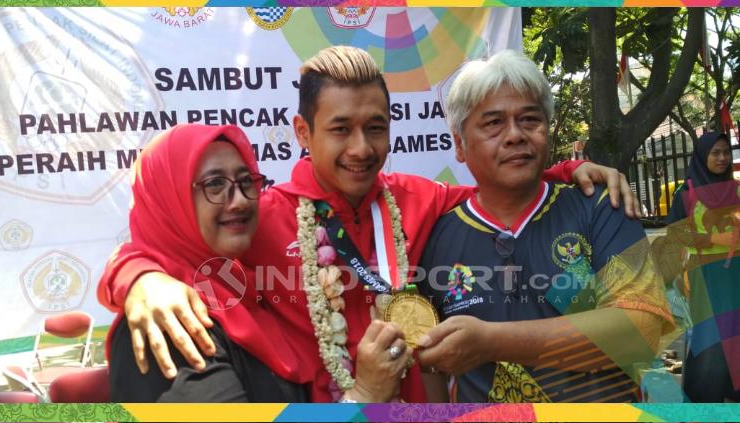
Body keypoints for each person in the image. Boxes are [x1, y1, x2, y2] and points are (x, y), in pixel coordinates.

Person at [98, 46, 640, 403]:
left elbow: (500, 178)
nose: (362, 149)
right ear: (303, 134)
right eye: (340, 129)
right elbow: (173, 247)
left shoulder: (418, 199)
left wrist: (569, 169)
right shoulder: (265, 215)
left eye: (375, 128)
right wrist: (141, 278)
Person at [415, 50, 673, 403]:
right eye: (493, 123)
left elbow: (641, 330)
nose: (515, 135)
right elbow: (430, 363)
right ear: (459, 144)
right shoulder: (435, 237)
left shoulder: (601, 206)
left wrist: (489, 341)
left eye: (529, 119)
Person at [107, 123, 310, 401]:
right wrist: (364, 397)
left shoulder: (245, 288)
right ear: (169, 199)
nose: (239, 200)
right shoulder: (170, 323)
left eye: (245, 181)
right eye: (214, 184)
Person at [665, 131, 740, 402]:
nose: (722, 158)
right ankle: (703, 406)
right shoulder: (687, 194)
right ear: (702, 156)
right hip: (705, 279)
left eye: (726, 152)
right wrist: (713, 239)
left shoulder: (737, 190)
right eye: (715, 153)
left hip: (737, 277)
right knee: (711, 340)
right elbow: (675, 235)